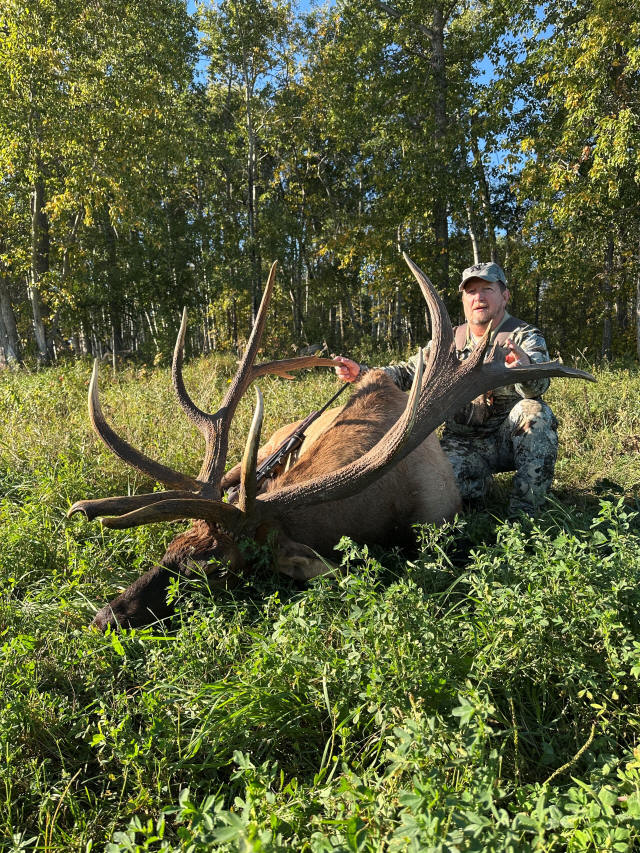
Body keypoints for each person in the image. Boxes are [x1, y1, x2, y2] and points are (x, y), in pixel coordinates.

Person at [333, 262, 558, 516]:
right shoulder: (449, 341)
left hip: (507, 439)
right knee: (435, 492)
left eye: (487, 289)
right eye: (471, 292)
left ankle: (526, 514)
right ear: (463, 300)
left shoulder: (524, 336)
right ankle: (478, 485)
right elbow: (408, 373)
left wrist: (525, 369)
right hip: (462, 444)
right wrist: (361, 373)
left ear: (504, 296)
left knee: (535, 413)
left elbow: (539, 386)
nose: (479, 297)